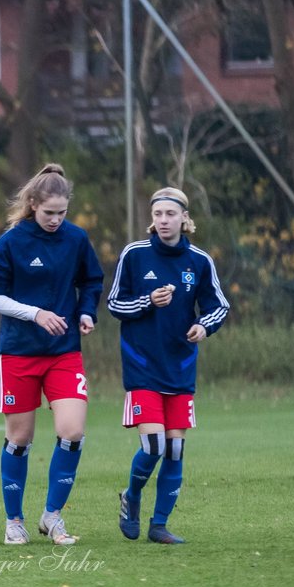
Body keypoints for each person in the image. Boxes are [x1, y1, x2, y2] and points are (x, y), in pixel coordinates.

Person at [0, 164, 104, 547]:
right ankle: (14, 520)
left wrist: (86, 311)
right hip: (18, 354)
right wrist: (35, 313)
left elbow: (91, 280)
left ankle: (52, 517)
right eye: (49, 212)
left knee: (72, 431)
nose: (55, 220)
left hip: (63, 353)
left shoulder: (76, 239)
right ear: (32, 205)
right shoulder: (8, 244)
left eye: (62, 213)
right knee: (19, 438)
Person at [107, 186, 230, 544]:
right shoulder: (134, 255)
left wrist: (203, 326)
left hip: (179, 365)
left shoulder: (200, 261)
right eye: (158, 214)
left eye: (170, 214)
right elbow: (115, 304)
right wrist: (148, 300)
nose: (163, 221)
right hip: (142, 364)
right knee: (153, 445)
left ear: (184, 219)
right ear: (152, 218)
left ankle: (159, 524)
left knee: (176, 447)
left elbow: (219, 306)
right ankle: (131, 497)